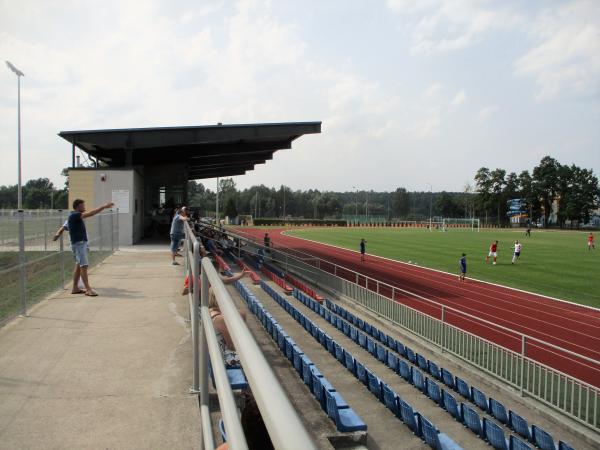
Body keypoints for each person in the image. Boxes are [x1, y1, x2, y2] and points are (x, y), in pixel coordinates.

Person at [68, 198, 114, 296]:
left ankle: (75, 288)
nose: (84, 207)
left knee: (78, 265)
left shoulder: (75, 216)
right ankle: (88, 289)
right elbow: (91, 214)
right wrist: (104, 206)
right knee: (84, 266)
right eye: (83, 205)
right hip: (79, 244)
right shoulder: (75, 215)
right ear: (78, 207)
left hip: (80, 244)